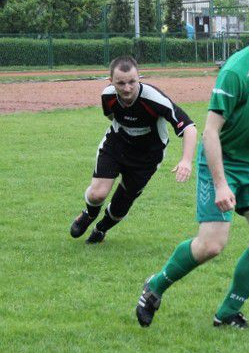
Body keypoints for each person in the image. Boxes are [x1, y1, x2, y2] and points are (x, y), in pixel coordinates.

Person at [135, 3, 249, 329]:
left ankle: (227, 312)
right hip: (223, 163)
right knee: (211, 245)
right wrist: (220, 184)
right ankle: (155, 287)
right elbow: (210, 133)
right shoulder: (237, 71)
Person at [70, 56, 197, 244]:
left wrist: (186, 160)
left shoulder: (154, 100)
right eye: (121, 83)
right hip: (116, 145)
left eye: (132, 82)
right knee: (97, 194)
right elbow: (111, 116)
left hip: (147, 157)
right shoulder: (107, 96)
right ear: (111, 81)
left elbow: (189, 127)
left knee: (120, 207)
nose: (127, 88)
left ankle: (101, 229)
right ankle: (89, 214)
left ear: (139, 78)